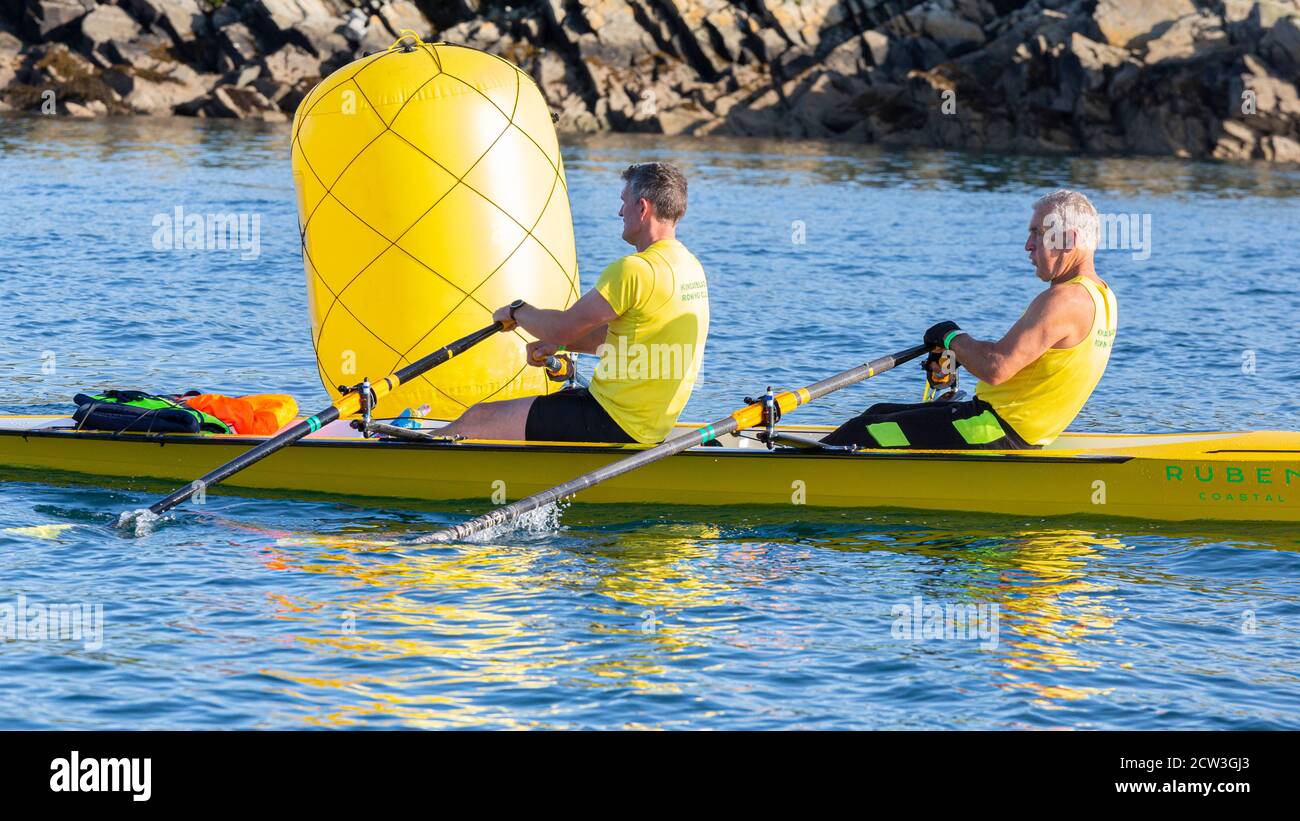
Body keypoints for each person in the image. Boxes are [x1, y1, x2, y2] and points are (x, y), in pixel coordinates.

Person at [823, 189, 1117, 450]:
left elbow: (997, 368)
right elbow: (1030, 363)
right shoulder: (1103, 297)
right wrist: (961, 354)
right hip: (1007, 427)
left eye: (1037, 233)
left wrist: (951, 336)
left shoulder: (1064, 300)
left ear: (1068, 239)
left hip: (994, 430)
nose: (1028, 245)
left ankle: (790, 473)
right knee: (877, 412)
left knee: (859, 431)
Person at [437, 162, 709, 444]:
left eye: (623, 203)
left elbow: (562, 327)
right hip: (646, 424)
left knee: (478, 418)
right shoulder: (690, 267)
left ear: (642, 208)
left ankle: (396, 455)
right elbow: (624, 336)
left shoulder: (635, 270)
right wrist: (561, 346)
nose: (619, 212)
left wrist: (517, 311)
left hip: (611, 420)